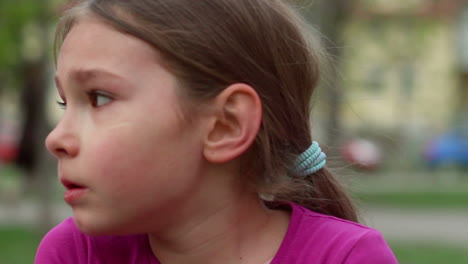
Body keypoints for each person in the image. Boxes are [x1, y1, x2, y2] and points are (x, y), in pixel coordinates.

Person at [35, 0, 398, 263]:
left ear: (225, 125)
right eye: (65, 104)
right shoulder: (73, 253)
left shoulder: (345, 257)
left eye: (99, 98)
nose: (56, 139)